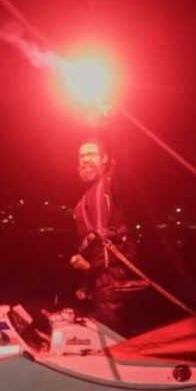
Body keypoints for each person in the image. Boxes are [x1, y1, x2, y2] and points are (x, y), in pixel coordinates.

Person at [71, 138, 147, 335]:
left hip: (116, 276)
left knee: (115, 336)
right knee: (102, 334)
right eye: (81, 156)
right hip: (96, 279)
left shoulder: (112, 183)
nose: (85, 159)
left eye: (91, 154)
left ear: (104, 158)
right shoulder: (81, 203)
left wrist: (109, 121)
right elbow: (88, 244)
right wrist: (83, 267)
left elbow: (124, 162)